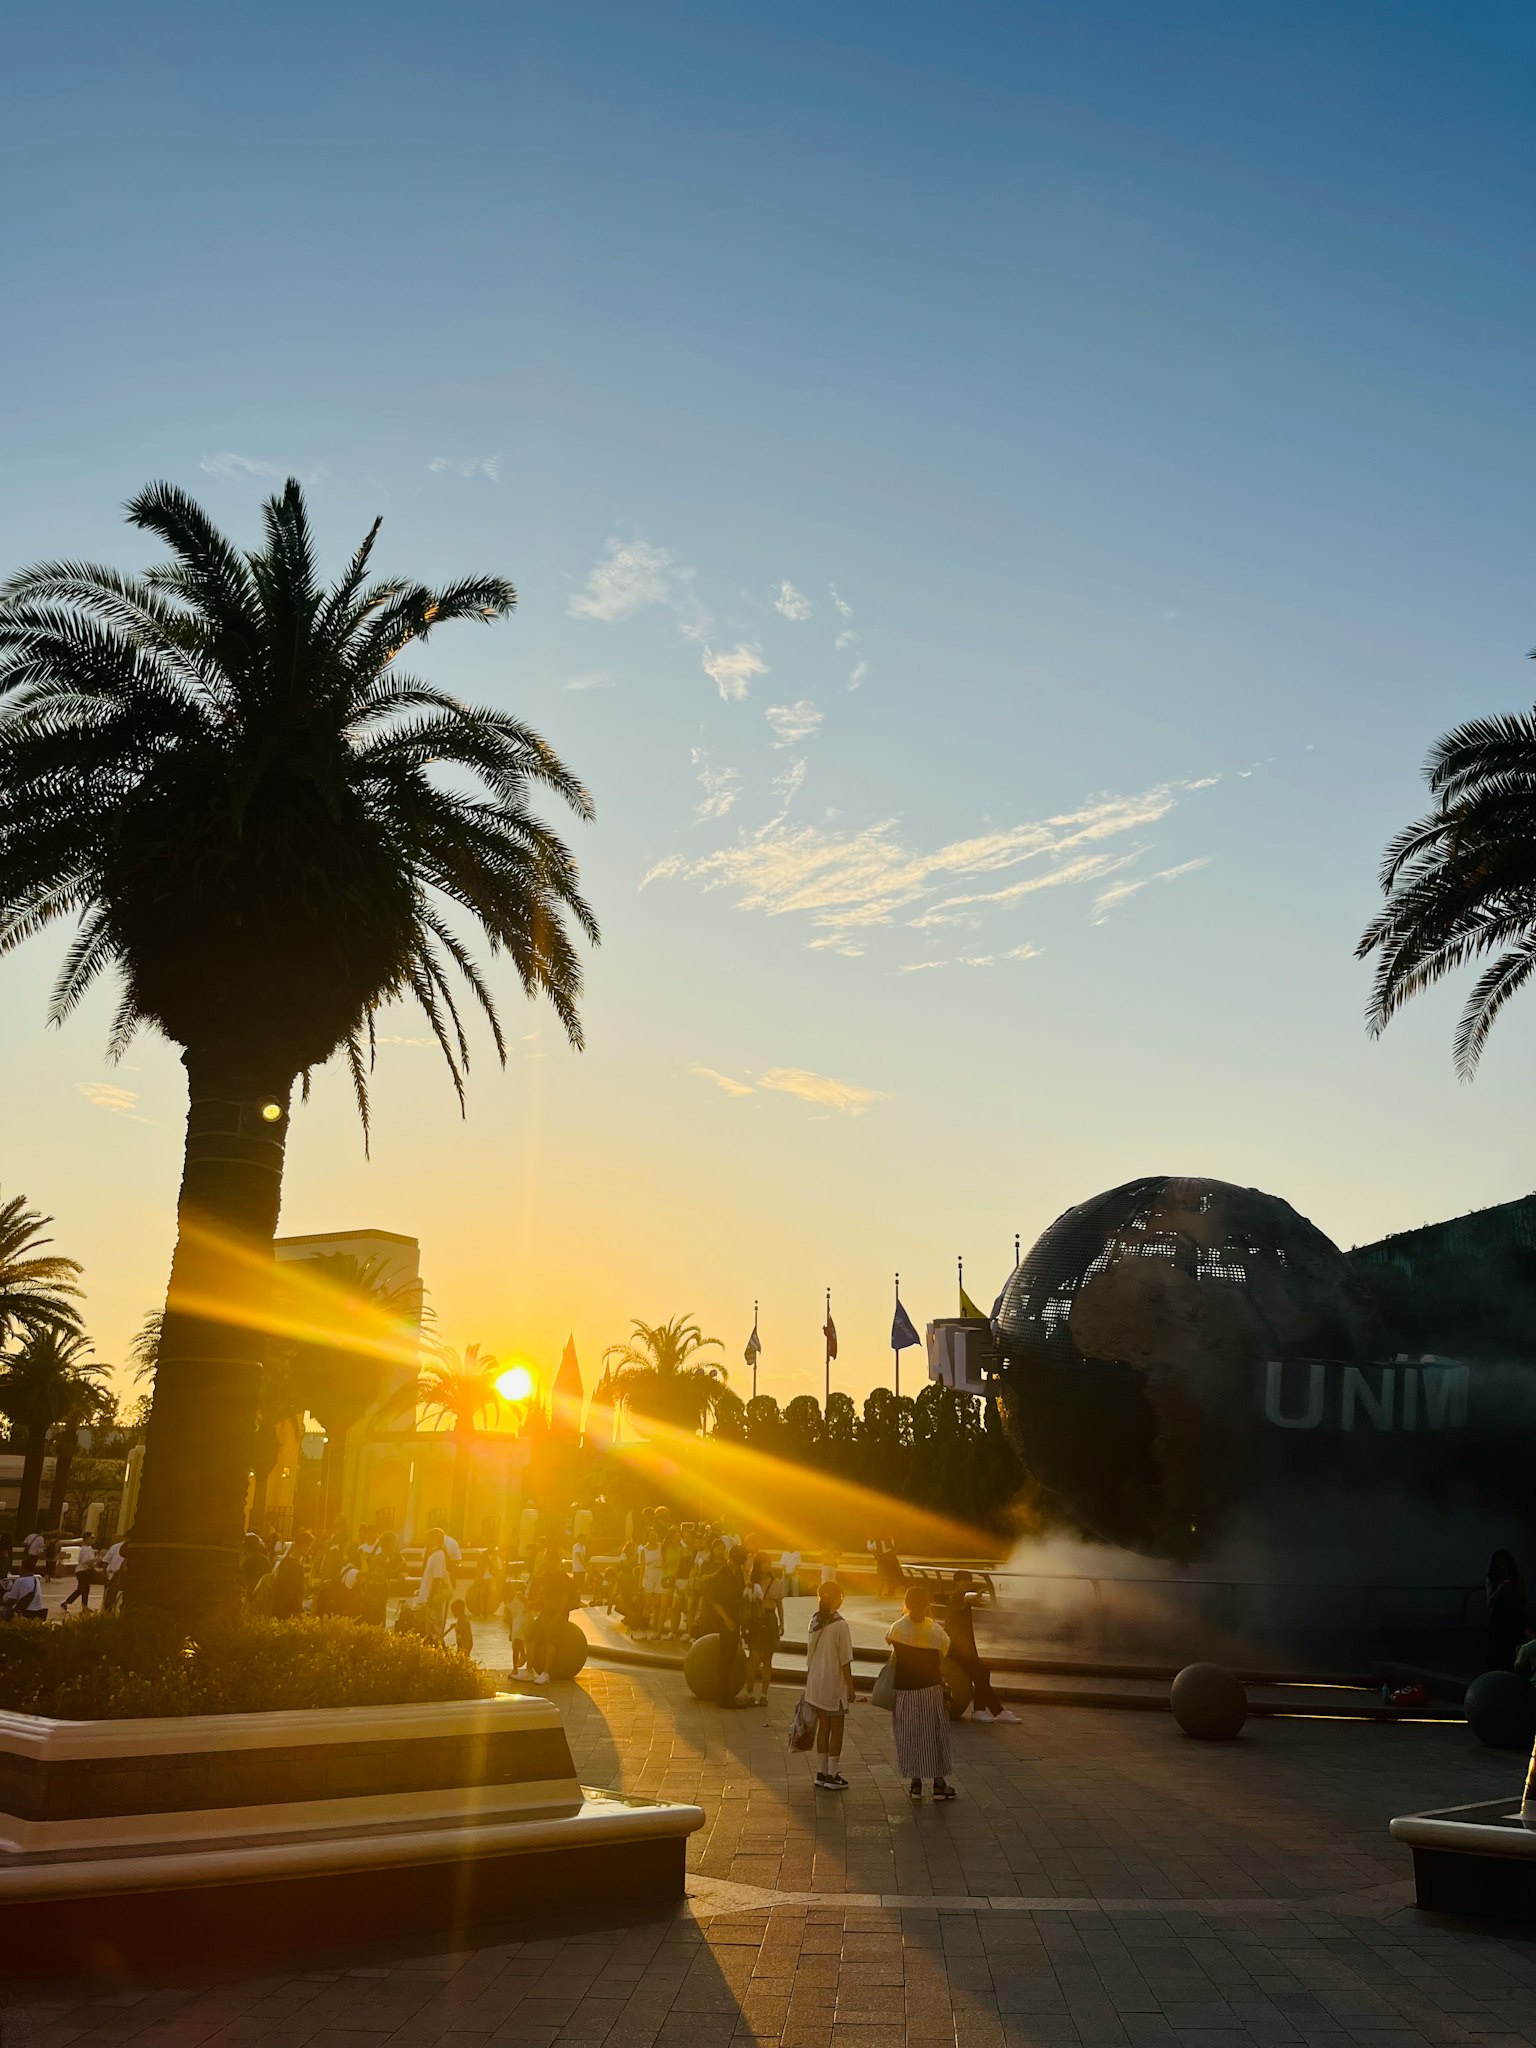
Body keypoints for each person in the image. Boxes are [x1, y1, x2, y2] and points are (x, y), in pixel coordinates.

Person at [885, 1585, 955, 1801]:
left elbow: (889, 1640)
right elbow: (946, 1649)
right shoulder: (934, 1630)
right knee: (934, 1735)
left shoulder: (897, 1627)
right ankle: (938, 1783)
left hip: (905, 1690)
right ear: (927, 1604)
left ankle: (915, 1783)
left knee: (909, 1735)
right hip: (929, 1689)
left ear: (906, 1603)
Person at [942, 1571, 1018, 1722]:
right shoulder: (954, 1598)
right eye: (964, 1581)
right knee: (982, 1673)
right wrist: (972, 1597)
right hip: (957, 1650)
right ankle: (988, 1712)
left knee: (982, 1674)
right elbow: (964, 1599)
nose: (967, 1584)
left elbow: (967, 1600)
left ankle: (989, 1711)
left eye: (969, 1582)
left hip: (962, 1649)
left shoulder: (959, 1598)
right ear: (956, 1582)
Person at [804, 1581, 856, 1788]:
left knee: (823, 1727)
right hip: (834, 1683)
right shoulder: (840, 1625)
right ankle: (834, 1775)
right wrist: (850, 1686)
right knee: (837, 1728)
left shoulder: (815, 1621)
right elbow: (845, 1660)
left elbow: (810, 1655)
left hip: (816, 1682)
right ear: (837, 1598)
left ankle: (822, 1772)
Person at [705, 1545, 749, 1707]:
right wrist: (727, 1620)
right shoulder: (721, 1574)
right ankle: (723, 1697)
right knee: (725, 1657)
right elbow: (714, 1601)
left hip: (735, 1618)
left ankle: (727, 1694)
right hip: (725, 1620)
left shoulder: (738, 1574)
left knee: (730, 1656)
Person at [525, 1553, 577, 1684]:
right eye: (545, 1558)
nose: (545, 1561)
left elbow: (564, 1599)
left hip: (558, 1614)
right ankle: (529, 1670)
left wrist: (557, 1617)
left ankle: (546, 1673)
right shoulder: (546, 1576)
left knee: (551, 1640)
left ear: (554, 1560)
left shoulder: (562, 1577)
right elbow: (543, 1594)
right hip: (545, 1613)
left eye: (547, 1558)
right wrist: (533, 1603)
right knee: (531, 1636)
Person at [742, 1552, 783, 1706]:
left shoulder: (775, 1582)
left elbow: (779, 1604)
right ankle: (750, 1693)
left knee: (767, 1660)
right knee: (753, 1658)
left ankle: (764, 1694)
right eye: (763, 1562)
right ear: (758, 1564)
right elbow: (746, 1604)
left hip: (771, 1619)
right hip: (756, 1621)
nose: (767, 1565)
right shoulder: (752, 1582)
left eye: (768, 1562)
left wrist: (782, 1624)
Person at [1488, 1551, 1527, 1672]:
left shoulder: (1516, 1577)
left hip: (1513, 1614)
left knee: (1514, 1645)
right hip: (1499, 1615)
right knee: (1499, 1646)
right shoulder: (1492, 1578)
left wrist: (1514, 1589)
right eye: (1499, 1564)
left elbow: (1523, 1599)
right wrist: (1500, 1589)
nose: (1502, 1567)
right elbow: (1490, 1600)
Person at [59, 1539, 96, 1611]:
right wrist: (94, 1566)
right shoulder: (88, 1549)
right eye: (91, 1537)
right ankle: (84, 1607)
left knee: (80, 1590)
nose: (93, 1540)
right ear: (87, 1538)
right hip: (84, 1571)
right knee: (85, 1590)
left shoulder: (83, 1549)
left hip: (80, 1571)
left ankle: (66, 1603)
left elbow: (80, 1560)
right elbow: (87, 1561)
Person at [102, 1534, 127, 1613]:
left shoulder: (115, 1547)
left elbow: (105, 1561)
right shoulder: (117, 1547)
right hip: (114, 1576)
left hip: (119, 1576)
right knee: (110, 1598)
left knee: (112, 1598)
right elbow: (105, 1561)